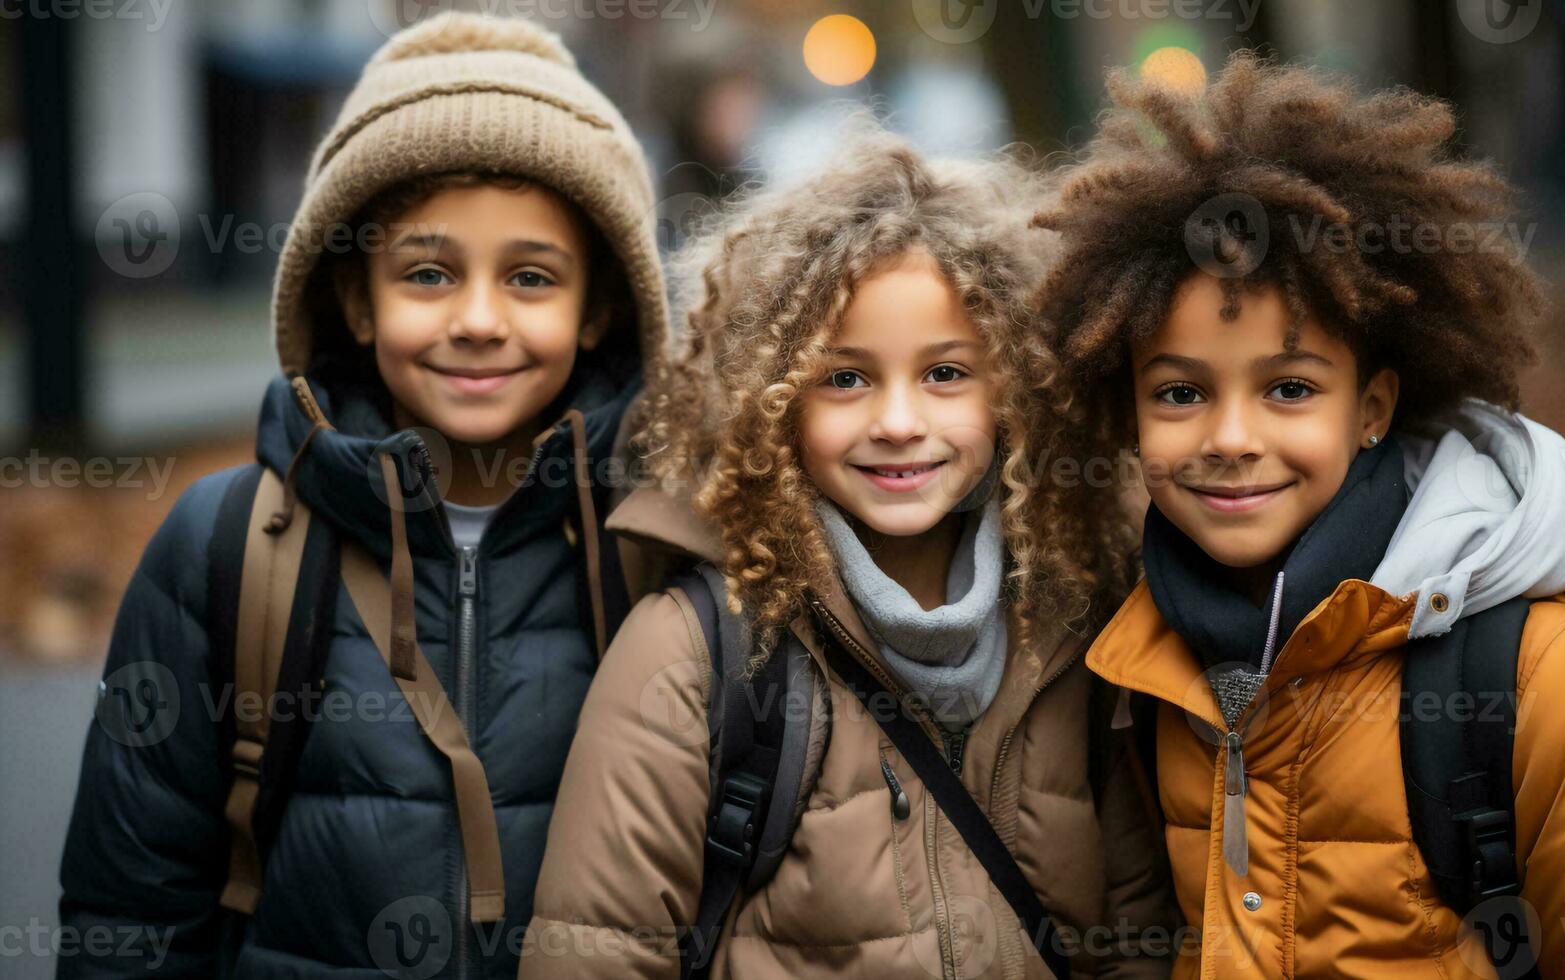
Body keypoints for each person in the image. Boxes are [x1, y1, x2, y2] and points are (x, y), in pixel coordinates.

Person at [1032, 53, 1565, 977]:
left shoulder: (1545, 677)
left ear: (1371, 409)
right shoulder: (1141, 671)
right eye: (1178, 393)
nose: (1230, 437)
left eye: (1288, 388)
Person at [58, 13, 667, 977]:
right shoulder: (224, 549)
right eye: (427, 273)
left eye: (530, 277)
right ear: (354, 297)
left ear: (598, 307)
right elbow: (130, 913)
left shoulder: (665, 550)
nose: (477, 319)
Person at [520, 126, 1174, 977]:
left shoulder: (1069, 623)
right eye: (845, 378)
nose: (898, 422)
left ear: (1017, 386)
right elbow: (597, 953)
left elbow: (1134, 942)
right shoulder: (691, 648)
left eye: (945, 374)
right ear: (772, 399)